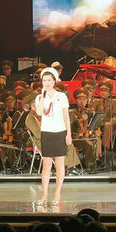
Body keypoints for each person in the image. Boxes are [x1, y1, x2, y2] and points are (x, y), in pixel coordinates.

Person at [33, 68, 72, 208]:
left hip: (60, 132)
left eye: (49, 80)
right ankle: (44, 194)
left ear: (54, 81)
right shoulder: (39, 97)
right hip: (47, 132)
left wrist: (69, 133)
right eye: (44, 80)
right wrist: (43, 96)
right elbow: (39, 112)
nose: (47, 82)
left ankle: (57, 193)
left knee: (60, 165)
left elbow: (66, 116)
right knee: (46, 165)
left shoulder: (61, 96)